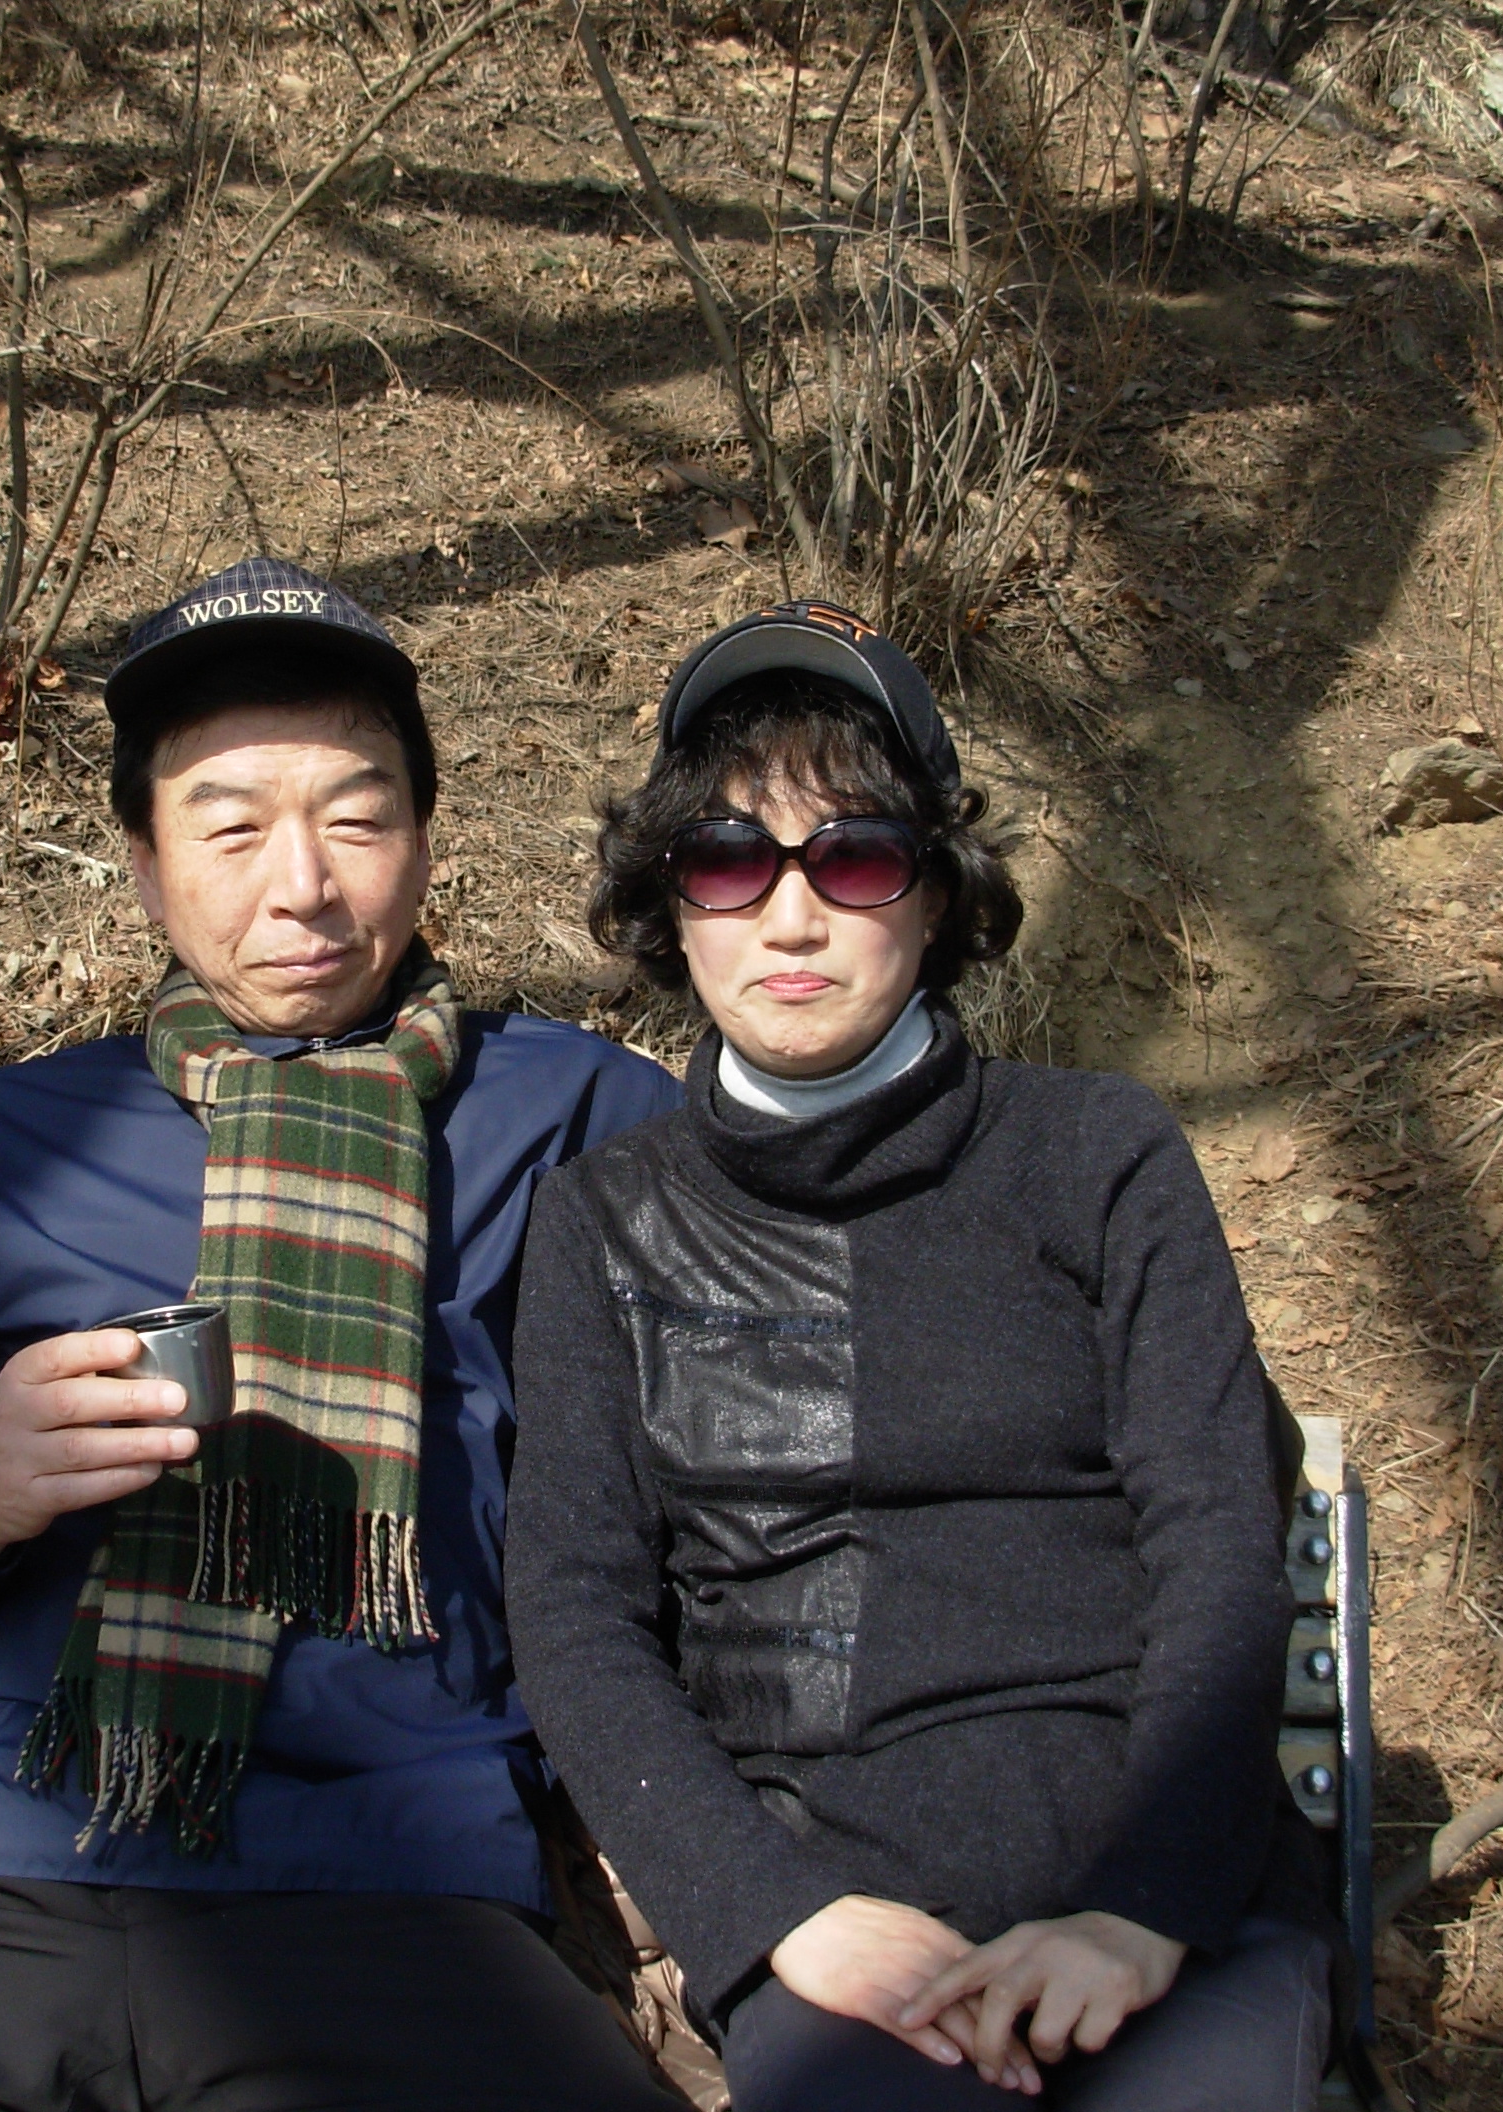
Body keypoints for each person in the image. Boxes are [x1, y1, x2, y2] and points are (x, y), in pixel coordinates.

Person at [0, 558, 687, 2112]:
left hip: (380, 1870)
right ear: (143, 863)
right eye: (230, 828)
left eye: (356, 819)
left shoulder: (575, 1123)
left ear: (424, 837)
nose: (303, 887)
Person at [503, 602, 1334, 2112]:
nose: (791, 920)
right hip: (829, 1920)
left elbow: (1218, 1535)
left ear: (939, 897)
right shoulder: (602, 1225)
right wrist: (775, 1919)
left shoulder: (1098, 1155)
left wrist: (1141, 1908)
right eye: (729, 862)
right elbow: (574, 1617)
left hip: (1156, 1891)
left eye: (856, 858)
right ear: (673, 905)